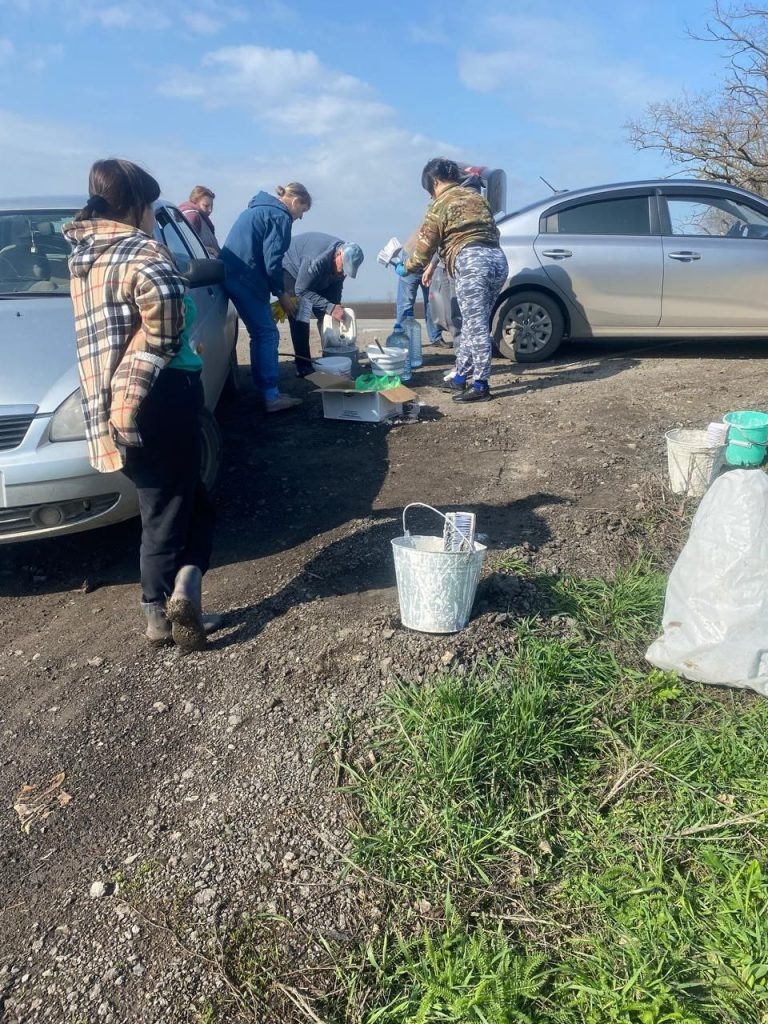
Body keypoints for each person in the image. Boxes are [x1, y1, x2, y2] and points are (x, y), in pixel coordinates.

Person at [63, 158, 222, 651]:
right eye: (151, 204)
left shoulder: (86, 258)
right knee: (172, 506)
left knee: (174, 499)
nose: (154, 213)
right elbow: (168, 315)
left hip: (114, 403)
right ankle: (172, 603)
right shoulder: (142, 253)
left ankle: (173, 599)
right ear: (136, 206)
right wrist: (147, 362)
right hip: (162, 395)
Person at [400, 158, 508, 403]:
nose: (430, 194)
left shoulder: (440, 204)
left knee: (476, 326)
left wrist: (406, 266)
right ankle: (460, 378)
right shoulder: (476, 197)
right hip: (497, 259)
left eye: (430, 188)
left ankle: (481, 385)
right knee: (472, 323)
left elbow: (424, 247)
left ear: (436, 182)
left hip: (471, 262)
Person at [221, 183, 312, 412]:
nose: (300, 217)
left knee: (259, 333)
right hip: (246, 278)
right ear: (295, 201)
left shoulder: (258, 209)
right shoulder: (279, 216)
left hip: (232, 273)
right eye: (303, 210)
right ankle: (271, 396)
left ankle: (264, 389)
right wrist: (281, 294)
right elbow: (272, 261)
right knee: (267, 333)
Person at [282, 233, 364, 377]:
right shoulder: (316, 260)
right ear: (338, 254)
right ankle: (304, 365)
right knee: (301, 316)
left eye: (346, 271)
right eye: (343, 268)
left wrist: (335, 306)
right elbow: (301, 290)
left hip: (319, 275)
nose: (343, 273)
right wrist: (330, 307)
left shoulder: (342, 263)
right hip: (292, 271)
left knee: (328, 317)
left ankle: (331, 359)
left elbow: (336, 287)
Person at [178, 185, 220, 256]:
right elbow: (186, 245)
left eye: (211, 206)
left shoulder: (201, 219)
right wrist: (208, 250)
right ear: (195, 203)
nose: (210, 210)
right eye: (206, 206)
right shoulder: (192, 216)